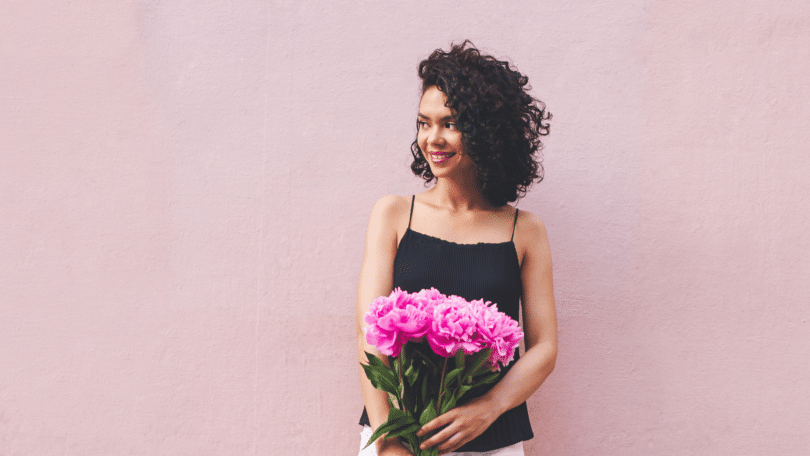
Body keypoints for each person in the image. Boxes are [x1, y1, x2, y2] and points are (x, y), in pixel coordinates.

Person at [355, 41, 557, 456]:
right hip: (399, 438)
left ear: (485, 131)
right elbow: (368, 334)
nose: (433, 138)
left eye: (450, 123)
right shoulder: (394, 214)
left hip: (493, 441)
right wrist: (389, 440)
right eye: (423, 123)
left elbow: (545, 347)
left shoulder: (525, 230)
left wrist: (489, 407)